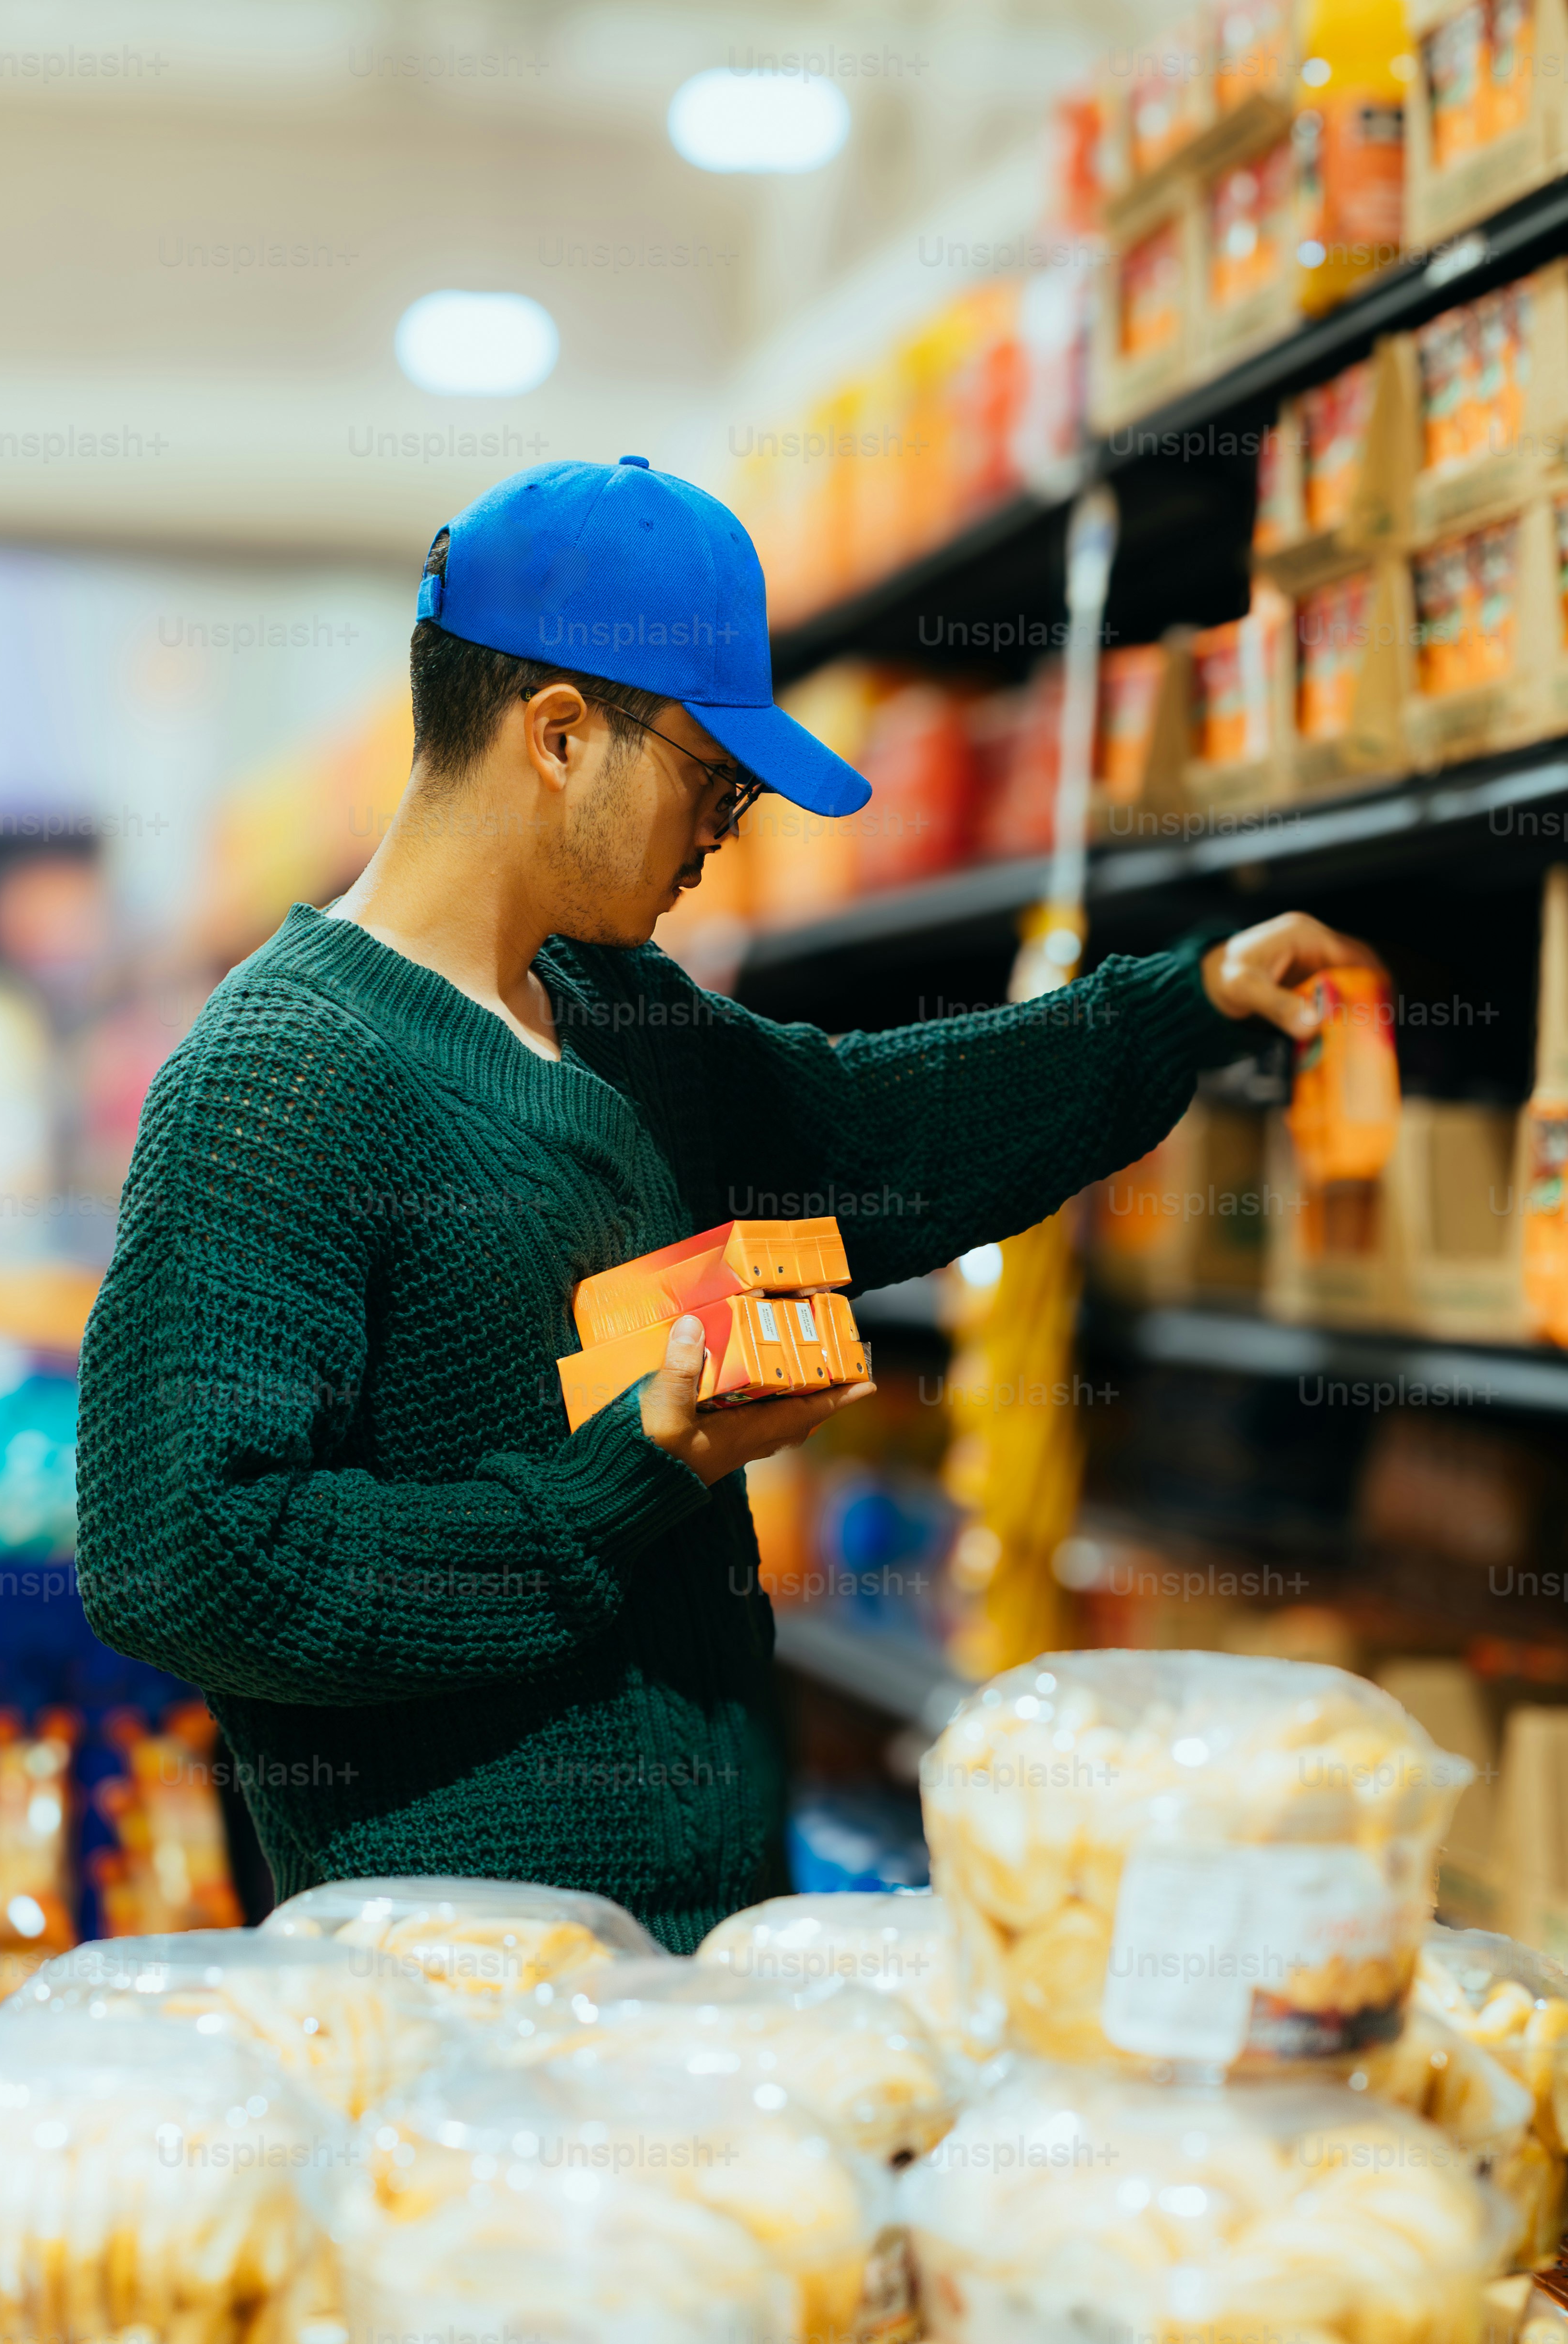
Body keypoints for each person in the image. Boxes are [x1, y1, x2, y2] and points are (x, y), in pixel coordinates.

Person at [76, 454, 1366, 1948]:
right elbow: (187, 1555)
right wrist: (630, 1475)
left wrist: (1186, 1001)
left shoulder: (616, 1010)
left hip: (705, 1944)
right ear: (560, 735)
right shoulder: (282, 1072)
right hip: (458, 1984)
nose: (728, 830)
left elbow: (873, 1125)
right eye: (715, 777)